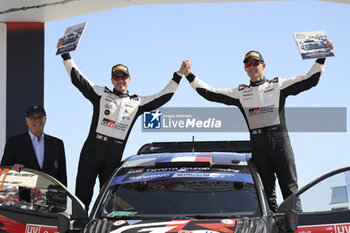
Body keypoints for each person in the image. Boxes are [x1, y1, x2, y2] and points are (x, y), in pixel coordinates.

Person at [182, 41, 334, 212]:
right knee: (266, 192)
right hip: (258, 143)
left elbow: (309, 80)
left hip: (280, 141)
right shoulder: (240, 92)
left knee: (290, 189)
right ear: (245, 69)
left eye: (255, 63)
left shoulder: (277, 85)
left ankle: (296, 227)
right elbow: (211, 93)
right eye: (248, 64)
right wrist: (189, 76)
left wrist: (322, 57)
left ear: (263, 65)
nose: (252, 67)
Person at [57, 38, 184, 211]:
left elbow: (163, 96)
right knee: (82, 197)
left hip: (113, 157)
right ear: (111, 80)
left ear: (129, 79)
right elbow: (79, 79)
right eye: (116, 77)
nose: (120, 80)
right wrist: (66, 54)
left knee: (109, 201)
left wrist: (178, 76)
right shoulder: (101, 94)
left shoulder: (137, 102)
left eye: (123, 77)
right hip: (91, 153)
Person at [1, 105, 67, 186]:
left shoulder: (57, 144)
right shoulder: (14, 142)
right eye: (33, 117)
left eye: (40, 117)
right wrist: (12, 169)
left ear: (45, 119)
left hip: (50, 197)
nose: (37, 120)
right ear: (26, 120)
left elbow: (62, 178)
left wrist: (62, 197)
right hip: (23, 197)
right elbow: (3, 172)